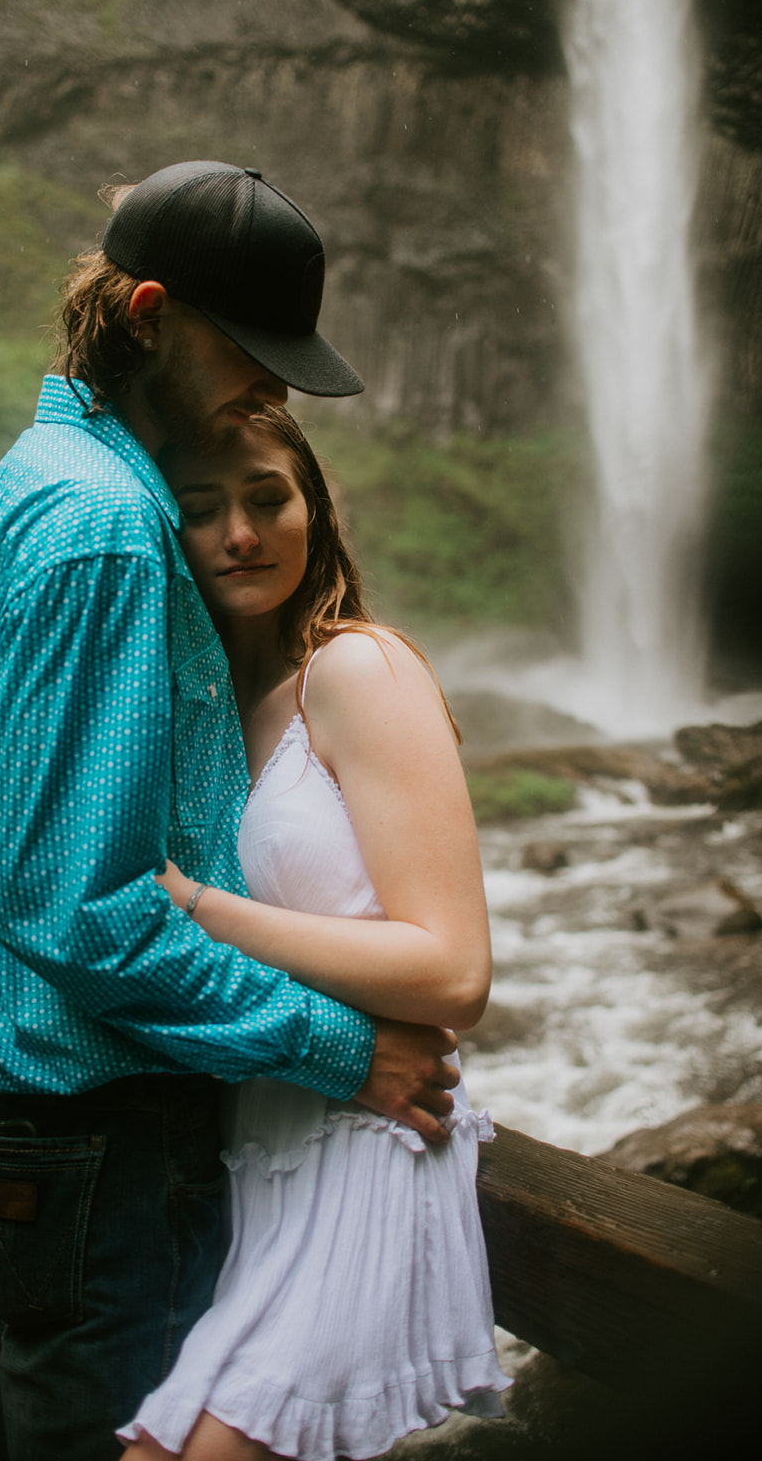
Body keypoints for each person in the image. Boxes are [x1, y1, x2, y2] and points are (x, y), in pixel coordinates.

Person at [0, 161, 461, 1461]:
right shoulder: (102, 526)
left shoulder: (33, 473)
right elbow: (83, 915)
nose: (272, 393)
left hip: (16, 1102)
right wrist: (342, 1051)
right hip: (99, 1127)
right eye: (254, 356)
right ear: (150, 311)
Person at [116, 407, 510, 1460]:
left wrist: (194, 902)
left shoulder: (358, 670)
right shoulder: (202, 715)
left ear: (314, 510)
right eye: (201, 509)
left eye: (267, 496)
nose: (239, 531)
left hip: (372, 1146)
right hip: (265, 1151)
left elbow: (455, 969)